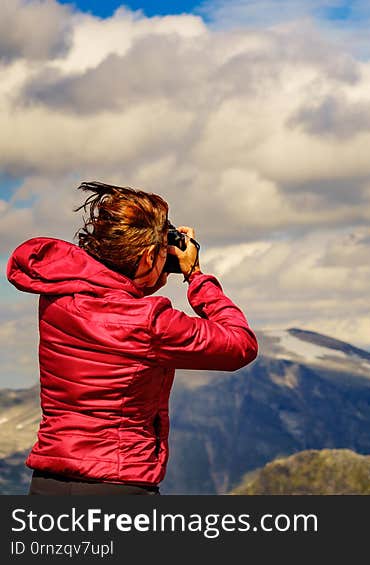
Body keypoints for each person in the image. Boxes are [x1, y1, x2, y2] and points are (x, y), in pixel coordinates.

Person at [6, 181, 258, 495]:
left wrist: (147, 266)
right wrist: (195, 275)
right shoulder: (149, 323)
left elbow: (111, 291)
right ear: (147, 257)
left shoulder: (57, 298)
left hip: (48, 485)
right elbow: (240, 345)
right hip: (118, 485)